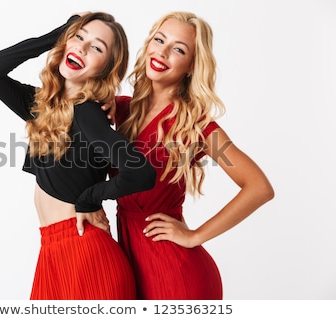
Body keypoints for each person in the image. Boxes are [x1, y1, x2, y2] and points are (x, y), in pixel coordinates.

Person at [0, 12, 156, 300]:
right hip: (52, 250)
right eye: (79, 37)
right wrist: (57, 34)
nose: (82, 48)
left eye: (97, 47)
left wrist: (90, 198)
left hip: (85, 253)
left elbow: (141, 173)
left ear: (106, 68)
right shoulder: (43, 107)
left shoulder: (87, 114)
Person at [108, 11, 275, 299]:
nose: (162, 52)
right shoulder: (121, 110)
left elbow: (259, 188)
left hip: (177, 274)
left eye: (178, 49)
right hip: (129, 264)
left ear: (191, 66)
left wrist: (194, 236)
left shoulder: (194, 125)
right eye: (159, 40)